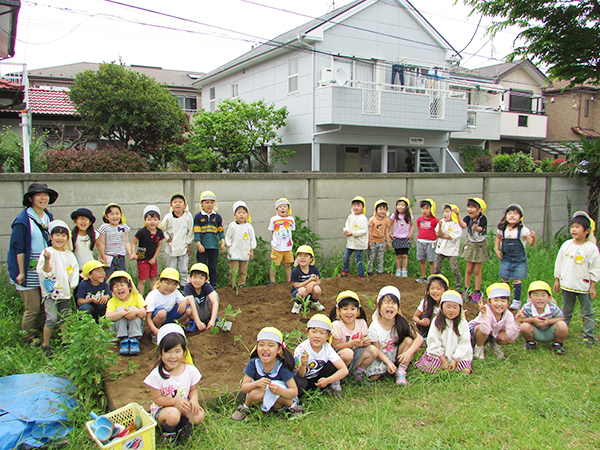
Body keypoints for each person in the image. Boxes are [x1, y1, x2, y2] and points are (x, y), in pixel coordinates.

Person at [8, 182, 58, 345]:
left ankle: (44, 335)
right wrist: (21, 272)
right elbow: (19, 248)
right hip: (28, 270)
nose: (43, 198)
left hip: (45, 269)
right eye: (39, 195)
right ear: (30, 198)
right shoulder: (22, 220)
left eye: (45, 195)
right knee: (33, 307)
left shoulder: (47, 216)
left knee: (47, 303)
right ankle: (27, 339)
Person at [143, 324, 204, 446]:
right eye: (168, 352)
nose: (173, 356)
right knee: (173, 414)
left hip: (182, 406)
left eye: (177, 351)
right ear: (161, 353)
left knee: (199, 415)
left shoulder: (190, 370)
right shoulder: (156, 375)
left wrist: (194, 399)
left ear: (184, 352)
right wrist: (175, 402)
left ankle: (183, 427)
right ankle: (169, 432)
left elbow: (193, 389)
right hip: (163, 410)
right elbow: (157, 399)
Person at [231, 327, 301, 421]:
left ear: (279, 349)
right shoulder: (253, 363)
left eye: (271, 345)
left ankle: (292, 407)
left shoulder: (282, 366)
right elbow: (244, 388)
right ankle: (245, 407)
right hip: (260, 398)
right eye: (261, 345)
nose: (265, 349)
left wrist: (279, 391)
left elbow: (294, 392)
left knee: (274, 390)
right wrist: (256, 383)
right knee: (256, 392)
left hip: (279, 401)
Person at [553, 211, 600, 346]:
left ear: (587, 231)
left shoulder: (591, 248)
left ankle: (588, 335)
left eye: (577, 227)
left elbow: (595, 268)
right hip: (567, 284)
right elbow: (559, 262)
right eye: (572, 226)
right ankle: (562, 331)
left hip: (583, 286)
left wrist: (593, 286)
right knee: (566, 311)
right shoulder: (566, 245)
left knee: (587, 312)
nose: (574, 229)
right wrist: (557, 279)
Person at [36, 220, 80, 357]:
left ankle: (65, 342)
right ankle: (46, 344)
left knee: (65, 317)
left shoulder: (69, 255)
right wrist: (47, 260)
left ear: (67, 238)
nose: (60, 238)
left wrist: (72, 285)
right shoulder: (47, 252)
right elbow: (45, 271)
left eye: (63, 235)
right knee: (52, 317)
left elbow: (73, 270)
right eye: (57, 235)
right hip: (51, 292)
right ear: (51, 237)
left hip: (65, 292)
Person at [365, 286, 423, 386]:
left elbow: (419, 338)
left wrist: (409, 352)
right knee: (373, 377)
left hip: (396, 354)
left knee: (409, 341)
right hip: (381, 356)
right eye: (386, 302)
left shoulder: (401, 323)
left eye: (393, 303)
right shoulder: (374, 327)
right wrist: (387, 362)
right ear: (379, 307)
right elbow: (376, 349)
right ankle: (389, 368)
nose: (390, 306)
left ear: (398, 308)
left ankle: (401, 370)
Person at [415, 290, 473, 374]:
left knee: (465, 371)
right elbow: (433, 342)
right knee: (433, 369)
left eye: (455, 307)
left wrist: (455, 360)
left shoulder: (463, 323)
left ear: (460, 308)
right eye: (448, 307)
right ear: (441, 307)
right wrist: (443, 361)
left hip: (458, 357)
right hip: (439, 356)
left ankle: (454, 365)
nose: (451, 310)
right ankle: (443, 365)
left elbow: (464, 343)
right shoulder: (436, 321)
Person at [293, 314, 349, 398]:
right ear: (307, 333)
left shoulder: (327, 348)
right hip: (305, 380)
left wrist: (327, 380)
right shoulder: (301, 349)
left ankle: (330, 386)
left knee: (332, 365)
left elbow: (344, 370)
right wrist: (303, 366)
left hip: (319, 378)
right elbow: (299, 375)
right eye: (314, 332)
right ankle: (302, 396)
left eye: (322, 333)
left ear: (328, 336)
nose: (317, 336)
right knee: (298, 383)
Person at [494, 204, 537, 310]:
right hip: (506, 257)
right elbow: (498, 238)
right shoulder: (503, 229)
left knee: (516, 279)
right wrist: (496, 250)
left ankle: (517, 300)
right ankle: (504, 297)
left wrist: (534, 237)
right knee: (504, 277)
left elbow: (531, 243)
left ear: (520, 217)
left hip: (518, 259)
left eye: (515, 214)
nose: (512, 216)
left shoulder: (522, 230)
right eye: (509, 213)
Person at [329, 290, 377, 384]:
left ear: (358, 310)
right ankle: (337, 377)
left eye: (353, 309)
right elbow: (335, 346)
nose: (349, 312)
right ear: (338, 310)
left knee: (373, 350)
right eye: (345, 309)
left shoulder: (361, 323)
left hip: (355, 354)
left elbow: (363, 339)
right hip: (341, 357)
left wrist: (365, 341)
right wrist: (350, 344)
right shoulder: (336, 325)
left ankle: (358, 372)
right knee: (348, 353)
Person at [468, 282, 522, 360]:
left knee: (509, 339)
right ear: (489, 302)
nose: (499, 304)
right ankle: (479, 347)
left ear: (508, 304)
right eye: (496, 300)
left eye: (503, 301)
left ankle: (495, 346)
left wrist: (517, 322)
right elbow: (485, 330)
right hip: (476, 334)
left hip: (491, 334)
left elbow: (511, 336)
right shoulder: (486, 310)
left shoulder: (508, 315)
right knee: (481, 328)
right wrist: (484, 315)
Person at [518, 281, 569, 354]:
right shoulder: (527, 307)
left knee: (562, 325)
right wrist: (533, 320)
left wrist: (549, 322)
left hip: (550, 331)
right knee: (524, 326)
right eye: (536, 295)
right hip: (535, 331)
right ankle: (530, 342)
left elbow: (561, 317)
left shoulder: (553, 307)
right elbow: (521, 320)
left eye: (543, 295)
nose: (540, 298)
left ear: (549, 298)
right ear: (530, 297)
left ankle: (558, 344)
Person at [455, 197, 488, 303]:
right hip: (471, 244)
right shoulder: (468, 218)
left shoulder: (482, 219)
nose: (470, 209)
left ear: (480, 210)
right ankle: (467, 289)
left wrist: (476, 228)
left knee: (477, 270)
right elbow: (463, 225)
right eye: (469, 206)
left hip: (480, 246)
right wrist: (458, 215)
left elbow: (481, 228)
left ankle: (477, 292)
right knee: (469, 270)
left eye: (473, 207)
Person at [146, 268, 192, 343]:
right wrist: (154, 330)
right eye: (167, 283)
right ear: (160, 282)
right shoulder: (152, 295)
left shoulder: (175, 292)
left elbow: (187, 301)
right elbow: (148, 318)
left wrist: (184, 302)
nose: (170, 287)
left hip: (169, 315)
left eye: (174, 284)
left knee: (188, 310)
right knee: (162, 313)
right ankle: (156, 333)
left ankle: (173, 326)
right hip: (158, 317)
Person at [105, 270, 146, 355]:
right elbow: (108, 317)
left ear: (129, 287)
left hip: (136, 330)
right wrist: (123, 313)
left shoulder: (137, 296)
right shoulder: (112, 301)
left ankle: (133, 339)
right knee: (120, 309)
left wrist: (134, 311)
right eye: (116, 286)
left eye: (122, 285)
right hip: (117, 332)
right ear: (112, 289)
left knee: (134, 308)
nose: (119, 288)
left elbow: (143, 313)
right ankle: (123, 339)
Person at [160, 193, 194, 285]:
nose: (177, 204)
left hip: (183, 247)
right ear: (171, 205)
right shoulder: (168, 217)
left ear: (185, 205)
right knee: (171, 269)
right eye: (175, 202)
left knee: (183, 269)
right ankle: (172, 286)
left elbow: (190, 231)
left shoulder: (188, 216)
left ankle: (184, 287)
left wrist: (188, 244)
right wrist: (167, 238)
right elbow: (162, 229)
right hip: (170, 248)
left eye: (180, 202)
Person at [194, 190, 225, 289]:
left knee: (213, 267)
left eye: (212, 202)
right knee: (202, 267)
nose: (209, 205)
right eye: (206, 202)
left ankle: (213, 286)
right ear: (202, 203)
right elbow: (197, 232)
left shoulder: (217, 217)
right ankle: (201, 286)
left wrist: (222, 243)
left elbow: (221, 231)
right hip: (202, 247)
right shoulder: (198, 217)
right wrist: (199, 244)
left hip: (214, 246)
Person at [132, 205, 165, 295]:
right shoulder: (141, 231)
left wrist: (154, 258)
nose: (152, 222)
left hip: (153, 257)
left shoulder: (159, 232)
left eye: (154, 220)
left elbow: (159, 246)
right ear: (145, 221)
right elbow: (133, 242)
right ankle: (140, 298)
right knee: (142, 280)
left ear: (158, 220)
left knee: (153, 278)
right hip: (142, 256)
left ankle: (154, 297)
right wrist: (132, 253)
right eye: (149, 219)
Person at [225, 201, 256, 289]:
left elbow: (252, 240)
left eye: (243, 213)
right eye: (239, 213)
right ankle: (233, 284)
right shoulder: (232, 226)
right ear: (235, 215)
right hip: (235, 251)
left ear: (247, 214)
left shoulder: (249, 227)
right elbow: (228, 237)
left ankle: (241, 284)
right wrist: (230, 247)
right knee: (234, 270)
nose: (241, 215)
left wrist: (251, 251)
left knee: (243, 270)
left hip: (245, 251)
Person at [97, 203, 133, 278]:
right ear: (106, 216)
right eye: (112, 214)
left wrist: (130, 253)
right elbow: (102, 243)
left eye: (117, 214)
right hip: (109, 257)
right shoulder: (104, 227)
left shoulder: (124, 227)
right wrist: (102, 255)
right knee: (108, 276)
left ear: (121, 215)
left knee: (121, 276)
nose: (115, 216)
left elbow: (126, 242)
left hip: (120, 257)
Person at [184, 263, 219, 333]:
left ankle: (213, 318)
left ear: (206, 279)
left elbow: (215, 302)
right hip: (195, 313)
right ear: (190, 277)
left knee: (215, 295)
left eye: (201, 278)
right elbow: (192, 304)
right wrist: (198, 321)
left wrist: (212, 320)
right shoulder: (188, 287)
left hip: (206, 312)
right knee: (188, 301)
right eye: (195, 277)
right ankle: (192, 321)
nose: (197, 281)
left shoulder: (206, 286)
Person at [435, 204, 463, 291]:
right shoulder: (442, 222)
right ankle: (438, 281)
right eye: (444, 212)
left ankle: (459, 284)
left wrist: (442, 236)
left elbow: (452, 236)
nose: (445, 214)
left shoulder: (456, 225)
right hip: (441, 248)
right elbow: (437, 234)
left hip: (451, 250)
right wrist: (439, 226)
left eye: (447, 212)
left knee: (454, 268)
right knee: (437, 267)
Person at [339, 195, 368, 278]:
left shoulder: (363, 218)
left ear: (362, 207)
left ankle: (361, 274)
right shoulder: (350, 216)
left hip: (359, 243)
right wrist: (345, 230)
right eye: (354, 205)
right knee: (345, 257)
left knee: (358, 259)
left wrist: (353, 233)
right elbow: (346, 225)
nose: (356, 207)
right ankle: (346, 271)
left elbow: (363, 231)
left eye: (358, 205)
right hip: (351, 242)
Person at [412, 274, 449, 339]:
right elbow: (415, 317)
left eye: (438, 289)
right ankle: (425, 336)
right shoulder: (426, 302)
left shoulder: (448, 304)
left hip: (443, 329)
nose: (435, 291)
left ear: (445, 290)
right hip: (429, 328)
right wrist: (420, 322)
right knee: (424, 316)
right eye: (432, 288)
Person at [290, 245, 324, 314]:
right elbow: (296, 285)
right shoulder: (295, 271)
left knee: (317, 289)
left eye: (305, 256)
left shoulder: (314, 268)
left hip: (311, 290)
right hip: (298, 292)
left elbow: (319, 281)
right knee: (302, 290)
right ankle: (298, 304)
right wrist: (309, 281)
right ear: (297, 258)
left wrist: (312, 283)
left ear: (311, 259)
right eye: (300, 256)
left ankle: (314, 302)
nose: (302, 258)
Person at [268, 198, 295, 283]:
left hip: (288, 247)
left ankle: (289, 281)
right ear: (277, 209)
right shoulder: (274, 219)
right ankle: (272, 281)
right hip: (277, 247)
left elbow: (291, 231)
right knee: (274, 265)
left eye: (284, 206)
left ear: (288, 209)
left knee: (288, 264)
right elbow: (273, 231)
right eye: (280, 207)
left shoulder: (291, 219)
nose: (282, 208)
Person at [415, 199, 439, 283]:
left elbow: (437, 231)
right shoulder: (419, 219)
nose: (424, 211)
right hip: (421, 241)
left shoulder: (435, 220)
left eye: (427, 208)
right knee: (422, 260)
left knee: (431, 260)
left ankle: (432, 277)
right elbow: (419, 229)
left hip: (431, 243)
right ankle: (423, 276)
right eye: (423, 208)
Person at [390, 197, 414, 277]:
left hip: (405, 238)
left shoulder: (409, 216)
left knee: (404, 255)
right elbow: (390, 224)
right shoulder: (394, 215)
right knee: (398, 255)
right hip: (397, 237)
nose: (400, 207)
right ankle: (398, 270)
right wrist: (390, 234)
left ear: (406, 207)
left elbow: (412, 225)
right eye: (398, 205)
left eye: (402, 205)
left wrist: (410, 234)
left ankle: (404, 270)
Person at [368, 199, 391, 275]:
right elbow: (370, 231)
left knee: (380, 258)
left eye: (384, 209)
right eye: (380, 209)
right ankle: (369, 271)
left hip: (382, 241)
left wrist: (388, 242)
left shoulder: (386, 220)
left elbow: (387, 231)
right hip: (373, 241)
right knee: (371, 257)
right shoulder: (372, 220)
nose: (382, 211)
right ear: (376, 210)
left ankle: (380, 271)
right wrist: (369, 242)